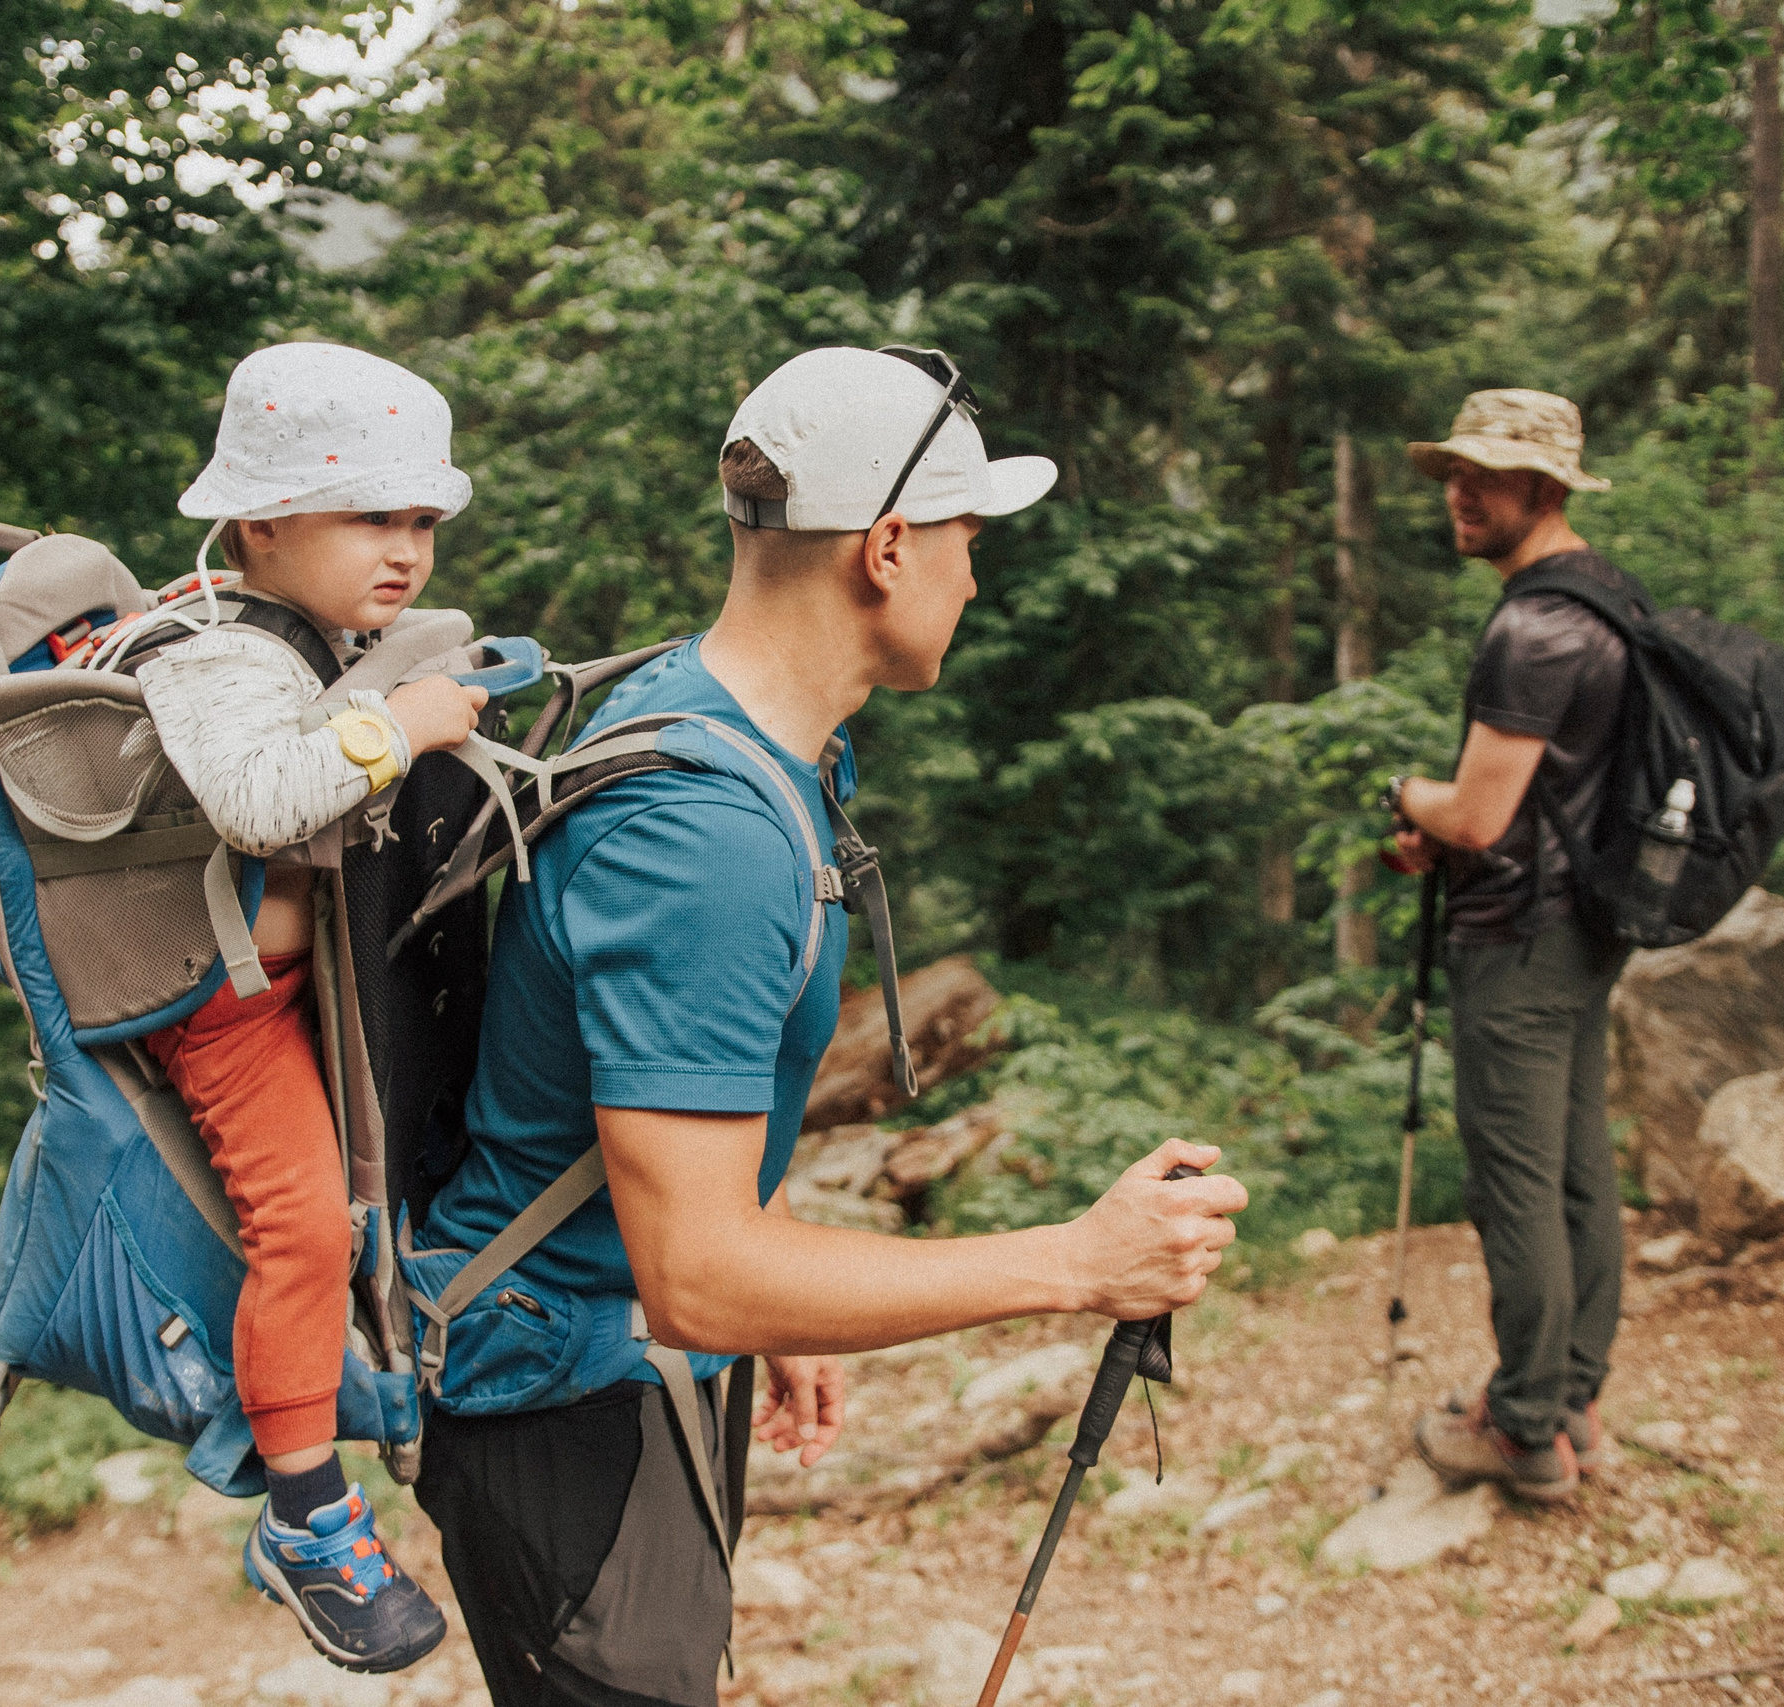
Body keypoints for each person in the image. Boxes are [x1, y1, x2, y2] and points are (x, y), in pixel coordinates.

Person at [413, 346, 1248, 1707]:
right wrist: (1081, 1261)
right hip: (562, 1403)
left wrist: (772, 1264)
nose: (978, 572)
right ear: (890, 545)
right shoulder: (706, 832)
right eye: (970, 535)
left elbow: (682, 1109)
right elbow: (699, 1277)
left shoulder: (732, 728)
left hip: (617, 1369)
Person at [138, 342, 489, 1669]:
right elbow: (259, 801)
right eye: (370, 517)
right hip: (227, 1001)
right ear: (263, 523)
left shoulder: (318, 631)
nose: (404, 551)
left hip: (314, 973)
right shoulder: (211, 652)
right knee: (305, 1226)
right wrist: (403, 721)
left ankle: (396, 1381)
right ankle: (303, 1512)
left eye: (422, 522)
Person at [1382, 388, 1630, 1505]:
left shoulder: (1533, 625)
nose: (1456, 493)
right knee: (1578, 1173)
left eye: (1480, 474)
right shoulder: (1609, 603)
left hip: (1517, 940)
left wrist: (1406, 796)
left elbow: (1478, 816)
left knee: (1519, 1186)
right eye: (1451, 471)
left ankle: (1525, 1428)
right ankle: (1569, 1396)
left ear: (1544, 487)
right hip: (1583, 930)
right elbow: (1553, 795)